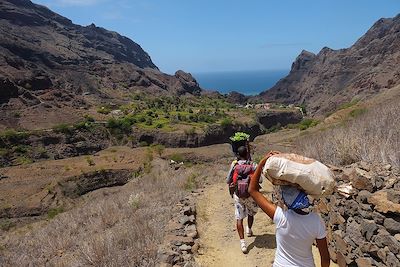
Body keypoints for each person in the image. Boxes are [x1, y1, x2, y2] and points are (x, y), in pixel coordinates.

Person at [249, 151, 330, 267]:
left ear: (285, 201)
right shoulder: (316, 221)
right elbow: (325, 259)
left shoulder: (280, 217)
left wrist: (262, 162)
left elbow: (252, 190)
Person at [226, 145, 261, 253]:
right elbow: (260, 180)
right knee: (251, 213)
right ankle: (249, 230)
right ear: (247, 154)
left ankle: (243, 244)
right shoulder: (253, 165)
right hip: (250, 194)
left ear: (238, 155)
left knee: (239, 218)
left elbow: (228, 180)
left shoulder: (234, 164)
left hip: (238, 195)